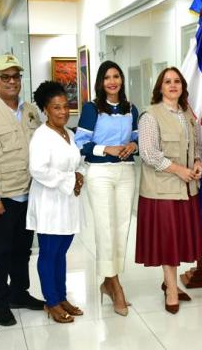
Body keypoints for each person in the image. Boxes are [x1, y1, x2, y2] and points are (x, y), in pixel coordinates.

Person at [0, 54, 45, 327]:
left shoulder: (30, 111)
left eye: (16, 76)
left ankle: (19, 293)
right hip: (1, 196)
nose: (12, 81)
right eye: (5, 77)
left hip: (29, 193)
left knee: (23, 249)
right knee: (0, 251)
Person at [135, 67, 202, 314]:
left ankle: (169, 283)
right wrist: (178, 169)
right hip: (161, 191)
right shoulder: (150, 116)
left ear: (183, 86)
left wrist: (197, 164)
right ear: (160, 87)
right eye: (167, 82)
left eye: (177, 81)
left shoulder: (188, 115)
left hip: (186, 190)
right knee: (167, 242)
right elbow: (149, 153)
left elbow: (196, 146)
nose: (173, 85)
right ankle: (172, 291)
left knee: (178, 240)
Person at [73, 60, 138, 316]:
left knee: (122, 227)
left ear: (121, 80)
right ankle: (114, 284)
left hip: (126, 172)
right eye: (107, 77)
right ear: (101, 82)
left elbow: (136, 138)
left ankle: (110, 280)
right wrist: (106, 149)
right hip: (99, 172)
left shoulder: (130, 108)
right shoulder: (92, 108)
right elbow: (81, 143)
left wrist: (133, 146)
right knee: (105, 226)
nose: (112, 81)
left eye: (116, 76)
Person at [27, 81, 86, 323]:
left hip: (68, 202)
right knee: (49, 254)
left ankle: (61, 297)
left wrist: (80, 174)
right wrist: (69, 180)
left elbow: (77, 161)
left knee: (61, 252)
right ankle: (51, 302)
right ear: (45, 110)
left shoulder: (69, 134)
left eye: (65, 106)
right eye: (56, 108)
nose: (62, 112)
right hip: (49, 203)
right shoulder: (41, 136)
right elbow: (37, 170)